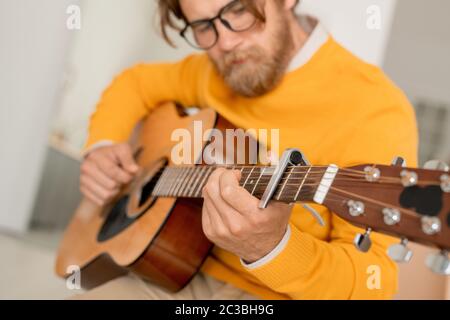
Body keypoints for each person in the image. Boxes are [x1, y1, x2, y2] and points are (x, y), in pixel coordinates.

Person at [74, 0, 418, 299]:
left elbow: (374, 285)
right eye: (202, 26)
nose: (225, 42)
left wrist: (274, 249)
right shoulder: (212, 71)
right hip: (173, 270)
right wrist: (102, 146)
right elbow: (134, 83)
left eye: (239, 10)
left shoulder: (374, 107)